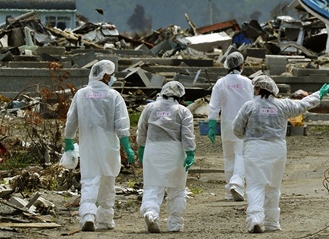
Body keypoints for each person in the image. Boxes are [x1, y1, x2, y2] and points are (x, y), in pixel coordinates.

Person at [233, 75, 329, 233]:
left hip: (255, 148)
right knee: (273, 186)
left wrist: (247, 134)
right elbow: (303, 104)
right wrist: (318, 94)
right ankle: (272, 222)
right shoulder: (283, 105)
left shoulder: (249, 106)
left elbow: (237, 129)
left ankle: (256, 219)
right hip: (277, 149)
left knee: (256, 185)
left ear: (258, 88)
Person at [63, 60, 135, 231]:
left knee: (89, 180)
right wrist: (127, 147)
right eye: (111, 75)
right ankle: (105, 220)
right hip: (109, 146)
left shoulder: (81, 94)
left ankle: (88, 215)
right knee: (108, 181)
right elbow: (122, 124)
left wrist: (68, 141)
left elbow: (71, 120)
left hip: (88, 146)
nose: (112, 78)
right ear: (105, 76)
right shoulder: (113, 96)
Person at [136, 81, 196, 233]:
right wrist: (190, 152)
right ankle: (175, 224)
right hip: (175, 152)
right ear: (180, 96)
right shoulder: (183, 111)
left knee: (152, 186)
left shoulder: (150, 108)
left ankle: (151, 213)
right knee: (177, 189)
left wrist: (141, 147)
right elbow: (187, 135)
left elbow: (141, 129)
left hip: (153, 150)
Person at [206, 51, 253, 201]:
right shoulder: (247, 82)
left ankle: (229, 192)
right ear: (241, 65)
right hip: (245, 123)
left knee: (229, 157)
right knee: (242, 155)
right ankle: (236, 183)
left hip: (227, 123)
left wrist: (211, 125)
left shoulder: (221, 83)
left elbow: (214, 106)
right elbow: (254, 103)